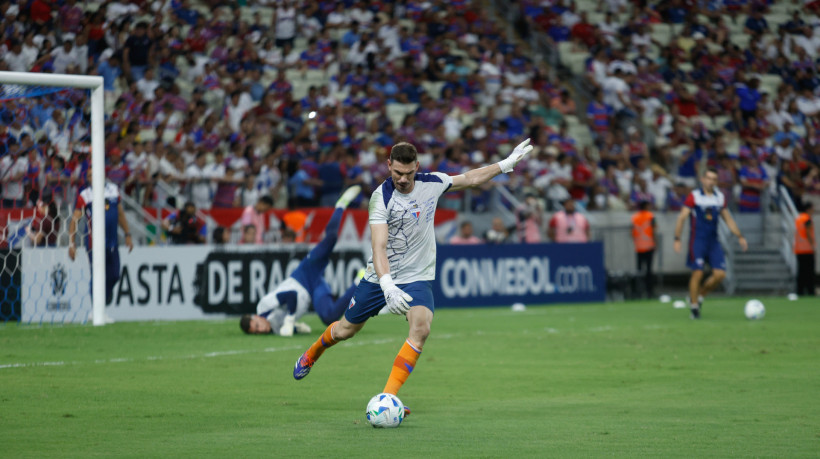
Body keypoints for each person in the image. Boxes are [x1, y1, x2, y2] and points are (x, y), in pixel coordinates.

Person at [290, 138, 533, 411]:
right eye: (397, 173)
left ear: (417, 167)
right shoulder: (380, 198)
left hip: (418, 275)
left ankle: (388, 398)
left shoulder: (433, 183)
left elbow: (471, 178)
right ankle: (312, 353)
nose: (403, 179)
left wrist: (504, 165)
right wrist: (387, 286)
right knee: (346, 330)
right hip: (380, 276)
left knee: (421, 328)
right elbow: (378, 247)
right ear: (388, 166)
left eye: (408, 173)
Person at [240, 185, 363, 336]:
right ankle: (360, 281)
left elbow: (291, 295)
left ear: (255, 317)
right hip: (312, 289)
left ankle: (341, 205)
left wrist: (290, 320)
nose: (262, 329)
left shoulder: (264, 307)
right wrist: (297, 328)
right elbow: (284, 323)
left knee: (331, 239)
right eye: (258, 331)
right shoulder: (273, 329)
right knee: (329, 317)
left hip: (304, 275)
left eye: (258, 325)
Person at [673, 168, 748, 319]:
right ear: (702, 179)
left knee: (720, 275)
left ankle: (700, 295)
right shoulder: (694, 196)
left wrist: (740, 236)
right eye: (708, 178)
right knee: (698, 272)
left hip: (713, 241)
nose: (711, 181)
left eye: (714, 179)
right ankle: (694, 308)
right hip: (698, 241)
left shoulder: (719, 197)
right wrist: (677, 238)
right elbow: (682, 217)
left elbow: (728, 219)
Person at [68, 168, 134, 305]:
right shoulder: (85, 195)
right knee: (97, 275)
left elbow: (120, 213)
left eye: (94, 174)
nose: (92, 177)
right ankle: (96, 310)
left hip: (112, 241)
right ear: (87, 179)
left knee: (115, 275)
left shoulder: (113, 190)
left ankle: (105, 295)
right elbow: (75, 220)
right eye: (89, 175)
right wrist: (71, 244)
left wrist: (127, 234)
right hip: (94, 243)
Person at [631, 200, 657, 298]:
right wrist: (655, 243)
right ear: (646, 206)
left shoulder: (634, 217)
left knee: (639, 271)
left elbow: (632, 232)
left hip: (638, 247)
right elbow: (653, 230)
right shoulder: (651, 216)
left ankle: (638, 292)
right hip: (649, 246)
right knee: (649, 271)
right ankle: (649, 291)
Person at [794, 202, 816, 296]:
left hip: (798, 249)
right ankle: (810, 291)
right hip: (807, 249)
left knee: (801, 272)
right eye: (812, 209)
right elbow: (808, 232)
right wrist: (812, 245)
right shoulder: (807, 219)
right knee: (809, 272)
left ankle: (800, 291)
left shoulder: (798, 218)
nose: (813, 211)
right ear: (808, 209)